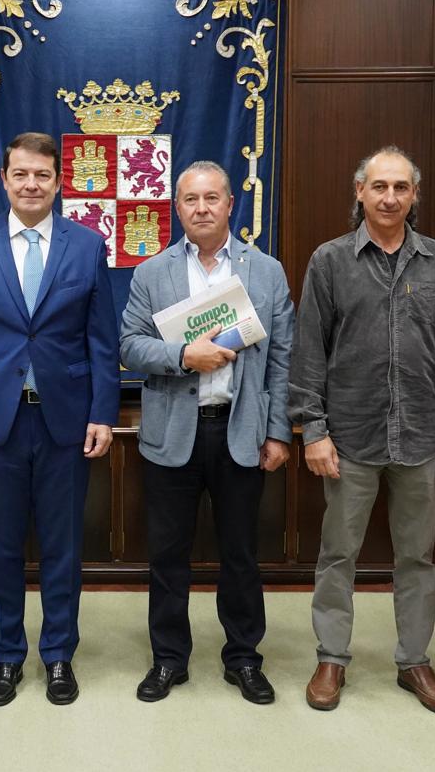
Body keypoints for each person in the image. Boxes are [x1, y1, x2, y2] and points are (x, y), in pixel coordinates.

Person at [290, 145, 435, 714]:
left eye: (400, 187)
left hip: (422, 434)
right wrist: (312, 429)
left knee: (417, 557)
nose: (389, 197)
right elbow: (308, 353)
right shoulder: (330, 260)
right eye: (379, 186)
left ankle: (414, 661)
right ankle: (331, 658)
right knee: (337, 552)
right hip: (348, 435)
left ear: (414, 195)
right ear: (360, 193)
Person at [0, 132, 119, 707]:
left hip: (66, 422)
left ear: (59, 182)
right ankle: (8, 657)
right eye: (21, 174)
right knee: (1, 547)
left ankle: (60, 655)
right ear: (4, 179)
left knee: (65, 546)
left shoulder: (87, 245)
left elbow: (101, 340)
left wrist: (103, 413)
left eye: (42, 175)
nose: (31, 184)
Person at [120, 160, 294, 704]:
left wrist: (279, 432)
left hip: (240, 431)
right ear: (177, 207)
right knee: (167, 554)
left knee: (241, 553)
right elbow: (129, 345)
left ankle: (243, 657)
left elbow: (284, 359)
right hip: (173, 431)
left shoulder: (265, 271)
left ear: (229, 205)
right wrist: (181, 354)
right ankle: (169, 658)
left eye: (212, 198)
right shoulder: (152, 273)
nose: (201, 208)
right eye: (191, 200)